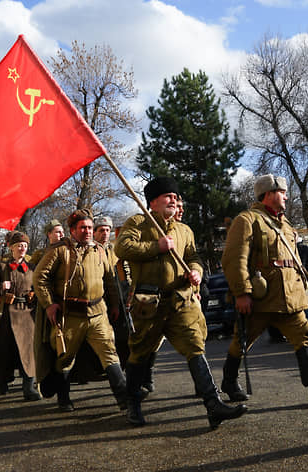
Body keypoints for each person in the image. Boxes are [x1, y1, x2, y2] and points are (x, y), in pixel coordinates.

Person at [116, 177, 246, 428]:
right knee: (140, 352)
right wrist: (157, 246)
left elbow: (193, 256)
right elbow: (122, 248)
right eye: (168, 196)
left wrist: (196, 271)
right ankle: (132, 403)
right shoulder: (138, 222)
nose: (173, 201)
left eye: (176, 197)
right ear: (153, 201)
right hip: (148, 302)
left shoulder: (184, 230)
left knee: (194, 346)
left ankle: (213, 404)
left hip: (180, 300)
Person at [220, 174, 308, 407]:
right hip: (261, 297)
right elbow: (234, 259)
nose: (287, 197)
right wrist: (241, 293)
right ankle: (229, 381)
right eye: (282, 192)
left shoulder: (285, 223)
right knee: (242, 340)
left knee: (304, 335)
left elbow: (294, 259)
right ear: (268, 194)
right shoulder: (247, 220)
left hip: (289, 297)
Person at [33, 210, 127, 412]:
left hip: (98, 313)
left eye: (90, 228)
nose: (88, 232)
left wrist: (114, 305)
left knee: (109, 354)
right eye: (83, 228)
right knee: (65, 357)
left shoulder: (100, 251)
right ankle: (64, 398)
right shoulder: (60, 251)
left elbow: (110, 280)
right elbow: (39, 278)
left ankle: (124, 400)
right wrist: (49, 303)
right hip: (70, 315)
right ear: (72, 230)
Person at [0, 232, 40, 400]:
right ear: (11, 248)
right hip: (6, 314)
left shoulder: (32, 267)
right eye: (19, 245)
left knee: (28, 351)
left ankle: (29, 387)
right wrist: (1, 286)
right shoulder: (1, 267)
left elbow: (39, 285)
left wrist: (34, 294)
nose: (22, 248)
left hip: (27, 314)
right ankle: (2, 382)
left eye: (25, 246)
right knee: (4, 350)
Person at [93, 215, 131, 368]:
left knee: (124, 334)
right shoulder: (91, 251)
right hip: (100, 298)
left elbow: (125, 272)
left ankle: (125, 366)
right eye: (101, 230)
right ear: (95, 232)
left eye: (108, 230)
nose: (105, 233)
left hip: (119, 296)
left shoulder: (115, 250)